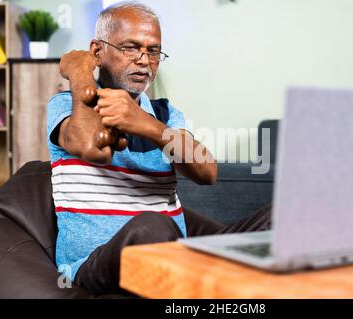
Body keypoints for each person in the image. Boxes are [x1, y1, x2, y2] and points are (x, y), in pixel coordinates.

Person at [47, 1, 271, 295]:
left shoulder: (166, 115)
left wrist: (144, 123)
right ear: (98, 51)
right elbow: (91, 146)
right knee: (152, 227)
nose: (144, 60)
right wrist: (79, 71)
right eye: (131, 47)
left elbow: (207, 172)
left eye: (153, 51)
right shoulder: (66, 106)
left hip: (174, 254)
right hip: (96, 264)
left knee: (284, 216)